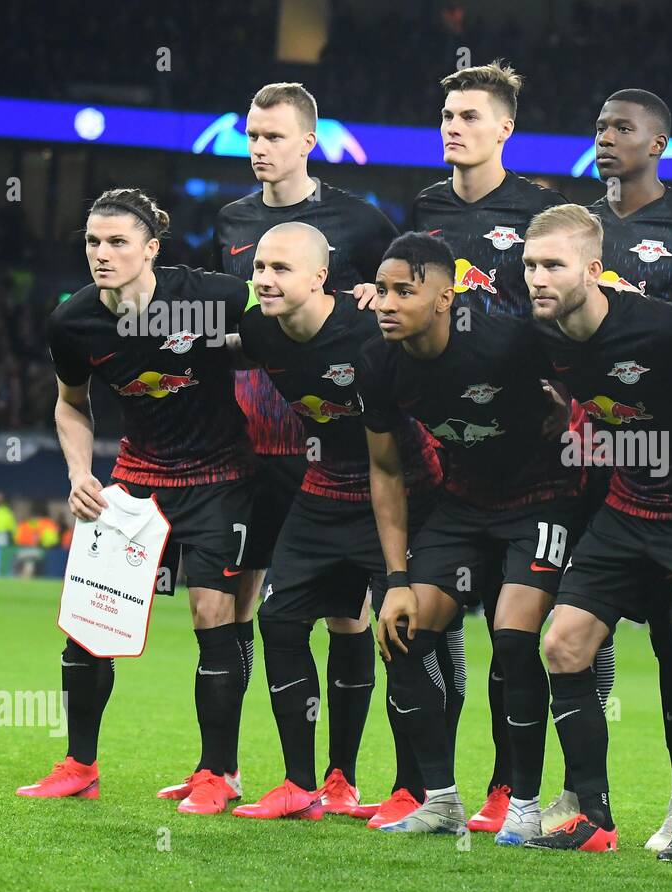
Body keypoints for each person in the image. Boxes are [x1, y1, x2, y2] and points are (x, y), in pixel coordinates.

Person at [184, 80, 412, 814]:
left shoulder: (360, 219)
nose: (257, 148)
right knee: (241, 602)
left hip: (341, 446)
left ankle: (341, 776)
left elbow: (398, 292)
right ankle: (222, 768)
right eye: (250, 135)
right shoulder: (231, 219)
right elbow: (230, 318)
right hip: (257, 439)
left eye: (272, 136)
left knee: (348, 615)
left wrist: (383, 294)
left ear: (308, 141)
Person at [521, 205, 672, 862]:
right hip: (628, 505)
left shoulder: (667, 327)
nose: (536, 276)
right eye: (531, 264)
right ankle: (591, 811)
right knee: (562, 643)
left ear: (593, 270)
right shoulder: (541, 336)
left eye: (553, 265)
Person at [20, 188, 256, 814]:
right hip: (136, 479)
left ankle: (216, 773)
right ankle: (79, 764)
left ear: (152, 248)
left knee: (214, 615)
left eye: (118, 241)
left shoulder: (204, 296)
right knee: (90, 625)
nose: (102, 253)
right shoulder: (74, 322)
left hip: (218, 476)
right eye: (93, 242)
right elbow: (71, 405)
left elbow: (283, 302)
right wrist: (79, 473)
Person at [357, 232, 584, 844]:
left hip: (542, 496)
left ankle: (526, 805)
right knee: (401, 632)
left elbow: (584, 371)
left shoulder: (505, 340)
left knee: (513, 639)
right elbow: (384, 470)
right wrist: (398, 578)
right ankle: (442, 800)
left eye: (405, 290)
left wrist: (569, 408)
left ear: (443, 297)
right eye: (381, 289)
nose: (387, 302)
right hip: (464, 504)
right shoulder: (378, 363)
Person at [219, 222, 443, 823]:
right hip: (323, 490)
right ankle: (301, 784)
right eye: (260, 267)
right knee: (278, 619)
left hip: (400, 489)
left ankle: (411, 791)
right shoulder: (261, 330)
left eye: (281, 269)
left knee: (401, 637)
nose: (264, 279)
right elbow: (223, 350)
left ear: (321, 277)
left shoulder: (372, 326)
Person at [409, 61, 571, 833]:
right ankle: (432, 789)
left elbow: (566, 306)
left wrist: (567, 394)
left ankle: (524, 789)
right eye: (446, 113)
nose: (453, 125)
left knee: (522, 638)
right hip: (458, 461)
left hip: (538, 459)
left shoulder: (540, 210)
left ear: (505, 127)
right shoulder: (425, 208)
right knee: (419, 623)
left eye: (469, 115)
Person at [569, 86, 672, 849]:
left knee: (671, 641)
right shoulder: (576, 227)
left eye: (622, 126)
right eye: (599, 125)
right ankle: (585, 796)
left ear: (657, 143)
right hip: (588, 456)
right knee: (579, 632)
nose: (606, 135)